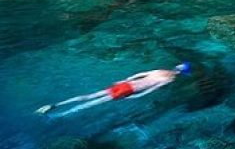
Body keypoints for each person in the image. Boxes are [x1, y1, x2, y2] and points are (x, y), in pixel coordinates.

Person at [35, 63, 191, 117]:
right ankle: (62, 114)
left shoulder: (160, 70)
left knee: (90, 96)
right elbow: (150, 90)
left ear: (177, 67)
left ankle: (55, 105)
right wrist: (134, 97)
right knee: (93, 104)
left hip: (123, 84)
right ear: (182, 74)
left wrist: (126, 79)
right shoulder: (169, 79)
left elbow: (140, 74)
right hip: (128, 91)